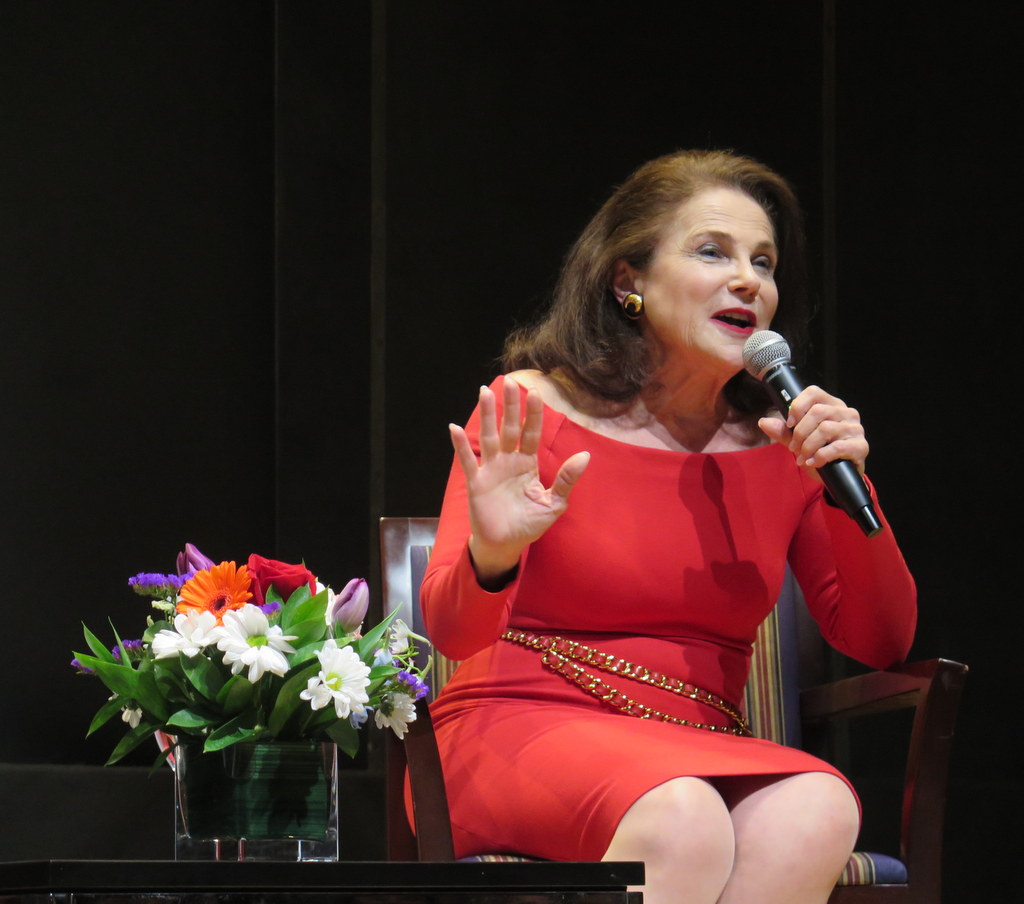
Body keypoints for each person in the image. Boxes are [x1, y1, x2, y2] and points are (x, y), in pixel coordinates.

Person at [419, 149, 916, 904]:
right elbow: (452, 635)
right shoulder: (533, 407)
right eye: (712, 252)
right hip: (517, 730)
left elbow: (881, 641)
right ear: (630, 283)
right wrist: (496, 551)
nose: (749, 279)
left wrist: (849, 484)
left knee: (818, 806)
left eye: (764, 261)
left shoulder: (785, 449)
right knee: (683, 818)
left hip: (696, 743)